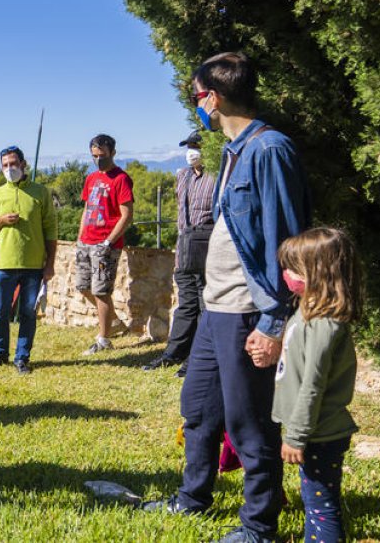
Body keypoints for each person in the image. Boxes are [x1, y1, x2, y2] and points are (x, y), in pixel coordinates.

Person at [143, 52, 310, 543]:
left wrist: (274, 322)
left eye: (197, 98)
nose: (197, 108)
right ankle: (193, 498)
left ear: (211, 98)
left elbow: (288, 240)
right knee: (198, 408)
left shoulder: (269, 150)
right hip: (215, 312)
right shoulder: (233, 152)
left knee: (250, 424)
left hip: (246, 312)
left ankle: (258, 527)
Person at [274, 228, 359, 543]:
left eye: (295, 269)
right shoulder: (307, 312)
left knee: (321, 507)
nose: (287, 275)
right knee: (315, 504)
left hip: (318, 433)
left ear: (319, 275)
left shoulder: (324, 325)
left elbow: (312, 386)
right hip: (314, 432)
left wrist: (295, 437)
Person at [144, 130, 216, 377]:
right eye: (189, 146)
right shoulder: (183, 176)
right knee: (186, 303)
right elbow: (180, 215)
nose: (192, 151)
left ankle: (198, 357)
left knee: (206, 305)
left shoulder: (216, 176)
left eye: (196, 146)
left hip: (208, 247)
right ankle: (174, 353)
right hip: (185, 247)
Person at [0, 145, 57, 374]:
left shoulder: (41, 192)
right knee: (1, 312)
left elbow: (51, 230)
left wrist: (50, 264)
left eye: (13, 164)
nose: (9, 168)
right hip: (4, 263)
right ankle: (0, 354)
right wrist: (1, 220)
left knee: (27, 314)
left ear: (23, 164)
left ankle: (22, 358)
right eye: (5, 165)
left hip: (33, 265)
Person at [75, 133, 134, 355]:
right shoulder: (91, 179)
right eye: (94, 156)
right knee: (83, 286)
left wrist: (109, 242)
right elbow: (87, 209)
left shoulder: (121, 179)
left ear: (112, 153)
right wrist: (80, 236)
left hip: (106, 245)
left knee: (101, 290)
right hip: (86, 242)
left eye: (101, 155)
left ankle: (104, 339)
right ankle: (113, 321)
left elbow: (126, 215)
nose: (97, 159)